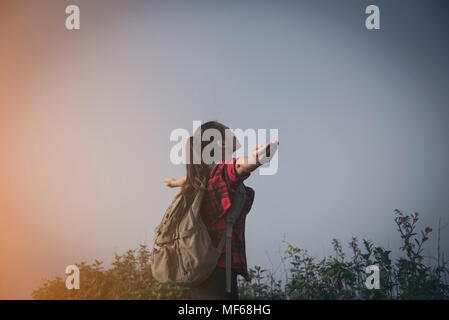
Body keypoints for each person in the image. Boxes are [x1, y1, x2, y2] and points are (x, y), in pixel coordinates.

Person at [164, 121, 278, 299]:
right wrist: (258, 158)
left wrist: (174, 183)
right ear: (221, 143)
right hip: (218, 272)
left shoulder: (203, 176)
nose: (235, 132)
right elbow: (238, 166)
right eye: (229, 131)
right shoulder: (221, 174)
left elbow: (188, 178)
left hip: (201, 268)